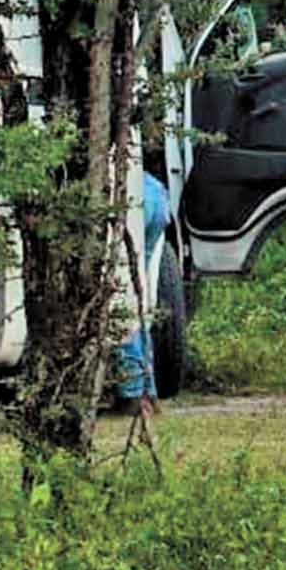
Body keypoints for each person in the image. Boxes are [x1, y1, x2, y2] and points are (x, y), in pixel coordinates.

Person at [113, 170, 173, 417]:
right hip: (155, 193)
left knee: (121, 296)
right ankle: (149, 390)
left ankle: (133, 392)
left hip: (131, 199)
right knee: (140, 296)